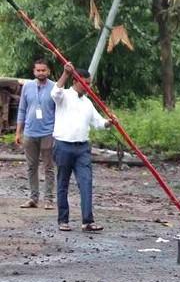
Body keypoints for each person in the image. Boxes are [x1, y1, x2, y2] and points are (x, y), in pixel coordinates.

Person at [51, 63, 109, 232]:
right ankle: (63, 220)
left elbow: (98, 122)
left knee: (86, 182)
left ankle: (87, 221)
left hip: (82, 148)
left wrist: (108, 123)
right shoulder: (64, 96)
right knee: (63, 183)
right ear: (76, 81)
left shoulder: (87, 103)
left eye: (90, 83)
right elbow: (55, 92)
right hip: (63, 146)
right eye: (86, 83)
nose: (88, 87)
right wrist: (65, 73)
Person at [15, 58, 56, 209]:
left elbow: (58, 111)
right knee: (31, 166)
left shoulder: (54, 88)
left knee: (48, 166)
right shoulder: (27, 86)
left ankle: (49, 199)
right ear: (34, 71)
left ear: (48, 71)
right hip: (30, 132)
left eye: (43, 70)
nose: (40, 73)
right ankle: (33, 198)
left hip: (48, 132)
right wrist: (18, 132)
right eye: (38, 70)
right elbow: (22, 109)